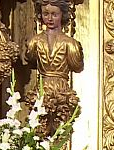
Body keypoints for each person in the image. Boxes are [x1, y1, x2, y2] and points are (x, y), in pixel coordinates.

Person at [25, 0, 84, 137]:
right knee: (39, 132)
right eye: (46, 14)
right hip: (42, 89)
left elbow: (77, 66)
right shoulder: (35, 42)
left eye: (54, 14)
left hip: (62, 92)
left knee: (61, 132)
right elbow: (30, 59)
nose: (50, 18)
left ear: (62, 15)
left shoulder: (71, 44)